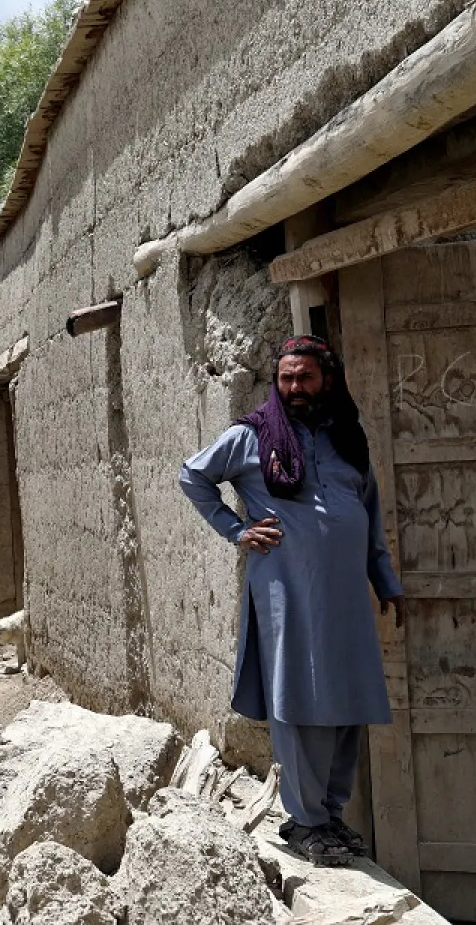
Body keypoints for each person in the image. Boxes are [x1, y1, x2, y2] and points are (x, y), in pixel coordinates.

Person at [179, 335, 405, 867]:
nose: (294, 387)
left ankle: (328, 813)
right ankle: (303, 822)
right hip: (288, 591)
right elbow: (194, 475)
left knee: (348, 701)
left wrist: (386, 580)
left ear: (326, 379)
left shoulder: (348, 439)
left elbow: (368, 513)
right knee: (301, 700)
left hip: (347, 595)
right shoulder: (252, 436)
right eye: (286, 378)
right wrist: (236, 529)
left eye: (304, 377)